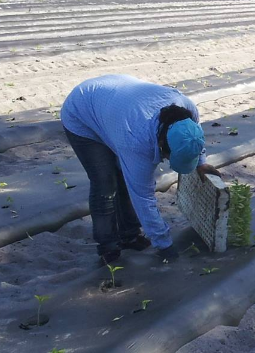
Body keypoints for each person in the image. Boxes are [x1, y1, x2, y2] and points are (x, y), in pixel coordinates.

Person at [60, 74, 220, 264]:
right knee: (105, 183)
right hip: (83, 111)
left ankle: (129, 235)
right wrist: (165, 245)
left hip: (116, 104)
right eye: (169, 156)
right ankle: (108, 247)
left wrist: (201, 162)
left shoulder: (187, 110)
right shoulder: (136, 142)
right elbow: (143, 197)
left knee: (124, 175)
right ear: (161, 143)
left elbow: (193, 137)